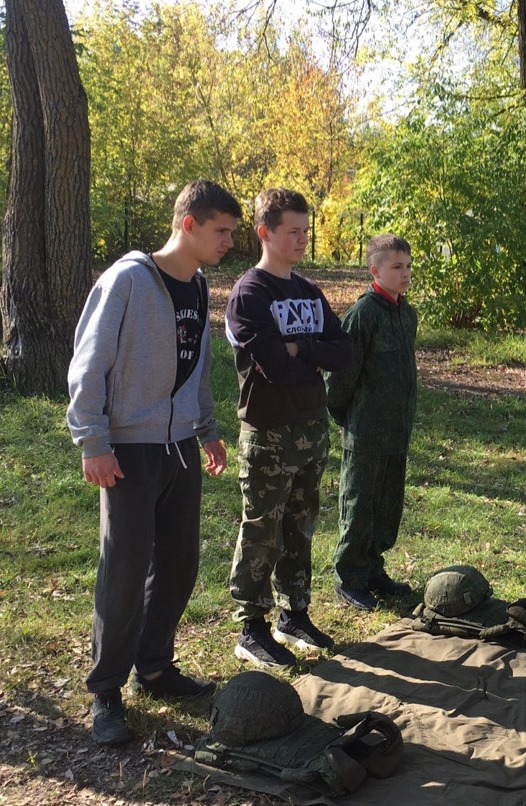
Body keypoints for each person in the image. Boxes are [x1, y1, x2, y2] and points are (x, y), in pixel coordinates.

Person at [67, 180, 243, 745]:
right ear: (187, 224)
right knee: (124, 569)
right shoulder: (127, 280)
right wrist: (92, 439)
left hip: (180, 448)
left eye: (233, 233)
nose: (229, 243)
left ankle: (156, 667)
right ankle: (106, 691)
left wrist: (208, 431)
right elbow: (89, 362)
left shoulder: (198, 286)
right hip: (128, 450)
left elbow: (197, 367)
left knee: (178, 563)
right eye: (221, 231)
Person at [225, 188, 352, 668]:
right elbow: (274, 367)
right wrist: (304, 353)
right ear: (265, 233)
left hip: (311, 430)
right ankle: (251, 627)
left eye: (305, 230)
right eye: (292, 231)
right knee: (262, 528)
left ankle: (293, 613)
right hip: (268, 433)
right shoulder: (250, 294)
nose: (302, 239)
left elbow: (343, 352)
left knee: (301, 524)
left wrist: (302, 350)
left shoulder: (308, 292)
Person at [325, 234, 418, 611]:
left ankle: (373, 568)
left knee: (386, 506)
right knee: (359, 504)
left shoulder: (406, 313)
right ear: (375, 269)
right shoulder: (362, 315)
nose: (405, 273)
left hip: (396, 429)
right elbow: (340, 376)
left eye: (408, 266)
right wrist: (344, 417)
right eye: (396, 267)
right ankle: (350, 576)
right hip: (364, 430)